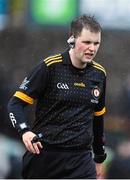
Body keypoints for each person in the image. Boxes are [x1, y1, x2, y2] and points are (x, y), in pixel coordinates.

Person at [7, 14, 107, 179]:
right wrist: (25, 131)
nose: (92, 48)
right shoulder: (50, 67)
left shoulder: (99, 74)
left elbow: (98, 120)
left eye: (96, 43)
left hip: (81, 161)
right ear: (72, 40)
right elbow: (15, 104)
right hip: (45, 157)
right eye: (87, 42)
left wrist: (99, 158)